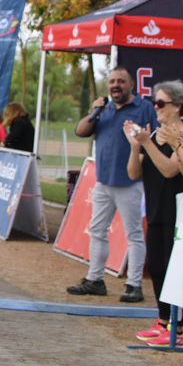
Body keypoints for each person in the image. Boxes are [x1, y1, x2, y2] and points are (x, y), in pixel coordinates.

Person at [67, 67, 156, 302]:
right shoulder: (103, 110)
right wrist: (96, 110)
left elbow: (154, 140)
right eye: (112, 81)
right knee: (97, 230)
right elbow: (80, 131)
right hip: (103, 182)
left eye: (121, 81)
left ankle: (134, 285)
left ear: (131, 85)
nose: (116, 85)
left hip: (130, 182)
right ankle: (95, 279)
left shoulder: (144, 108)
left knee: (133, 234)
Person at [125, 81, 183, 340]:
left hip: (176, 212)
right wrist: (137, 147)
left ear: (178, 107)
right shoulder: (154, 136)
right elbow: (134, 173)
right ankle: (162, 319)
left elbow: (170, 169)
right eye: (154, 101)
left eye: (160, 103)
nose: (155, 107)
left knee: (172, 268)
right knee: (156, 266)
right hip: (155, 210)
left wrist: (147, 144)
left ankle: (177, 327)